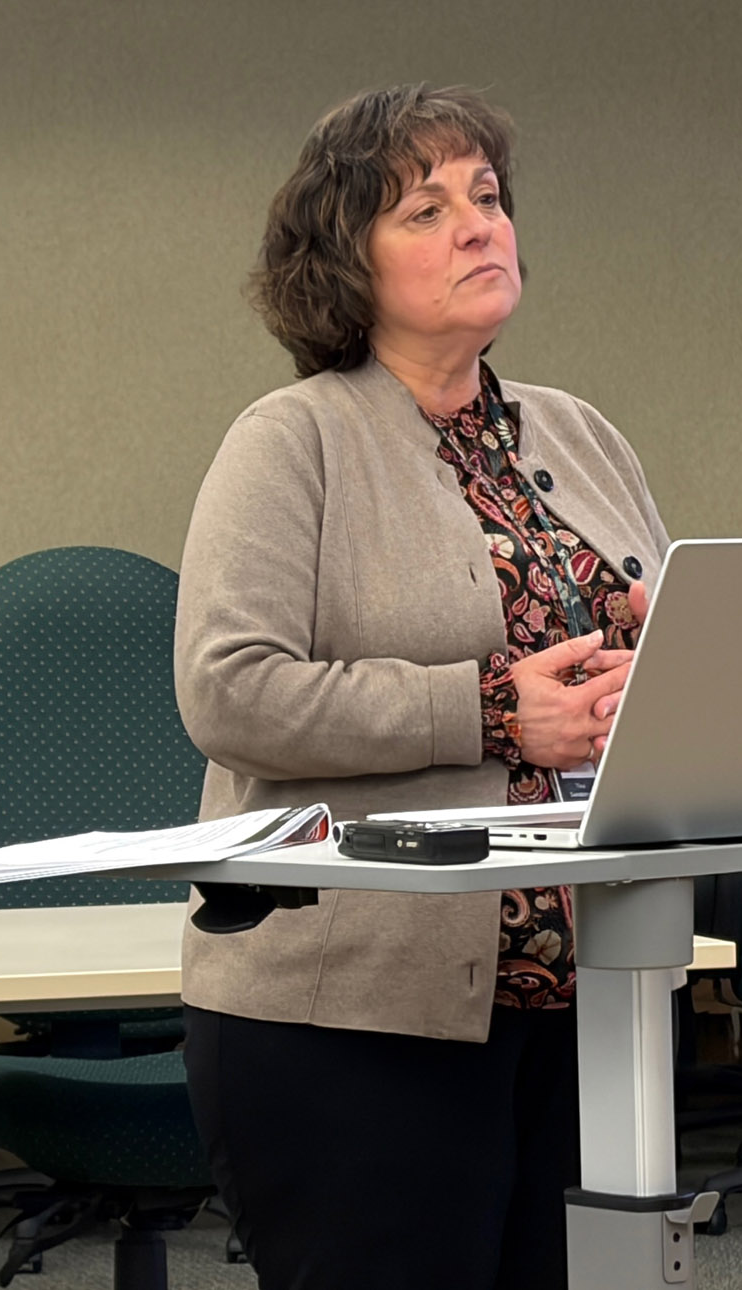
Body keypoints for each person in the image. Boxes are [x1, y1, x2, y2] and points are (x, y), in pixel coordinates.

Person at [174, 83, 669, 1290]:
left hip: (590, 995)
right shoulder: (291, 439)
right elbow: (230, 691)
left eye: (487, 198)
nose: (477, 226)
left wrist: (667, 662)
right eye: (425, 210)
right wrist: (492, 710)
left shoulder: (579, 432)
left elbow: (639, 654)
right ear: (343, 260)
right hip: (351, 1011)